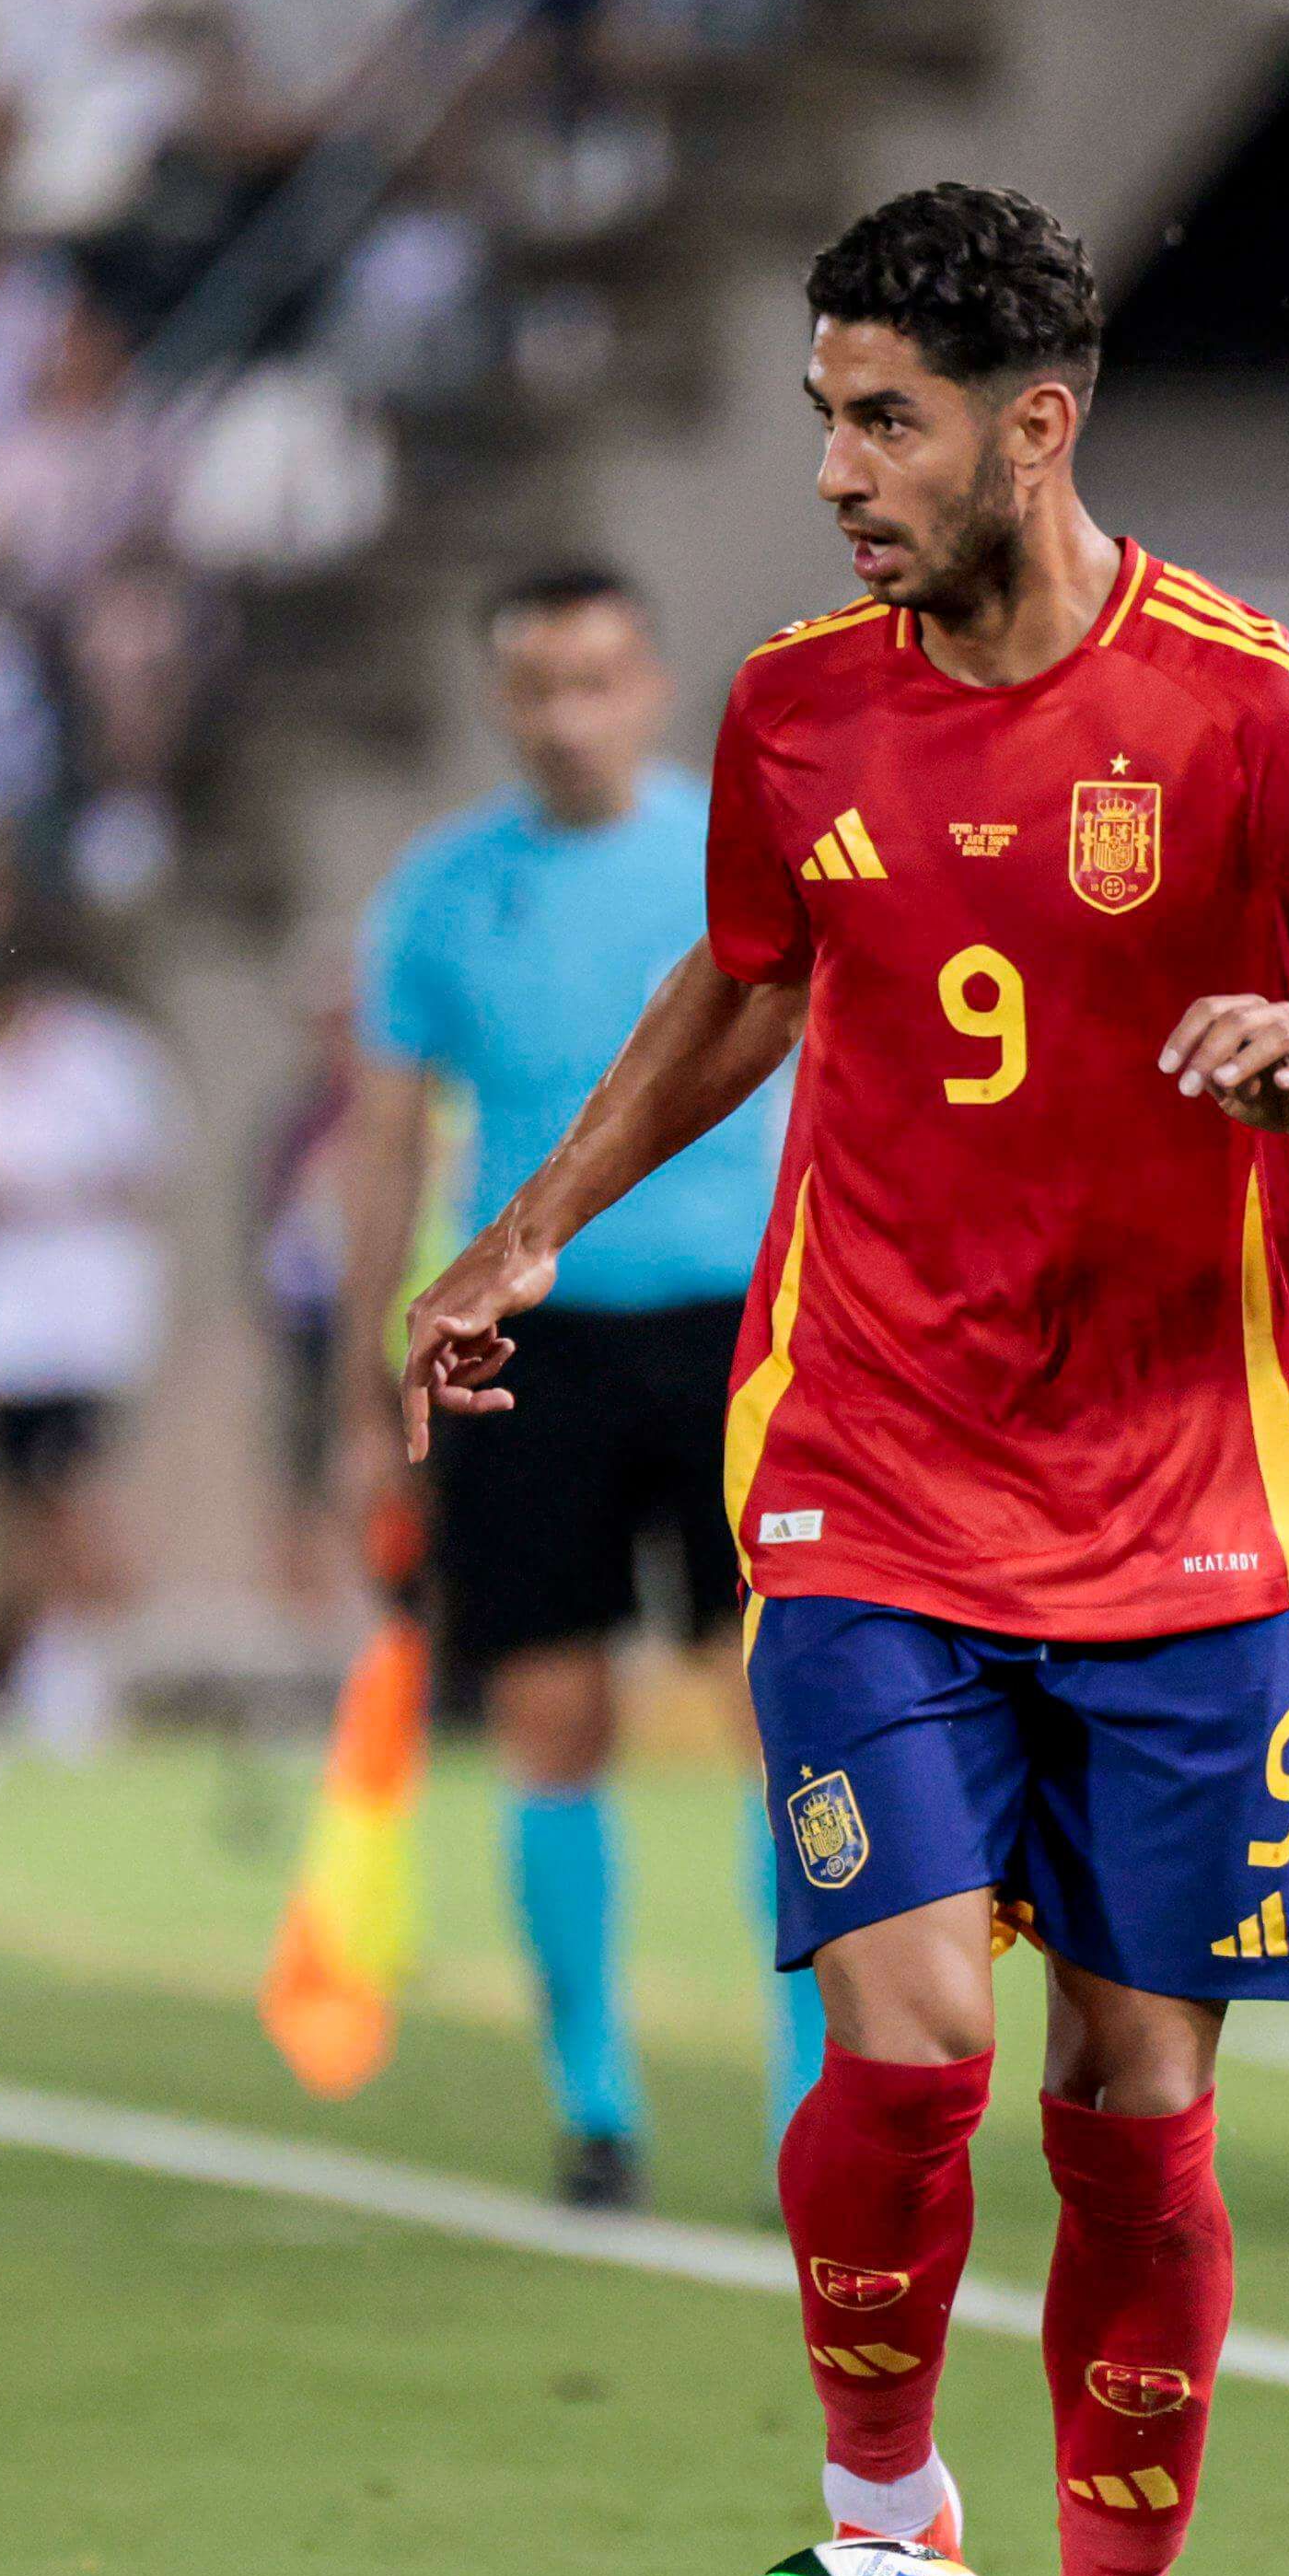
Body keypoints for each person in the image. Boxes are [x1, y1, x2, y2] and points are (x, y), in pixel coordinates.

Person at [392, 185, 1289, 2576]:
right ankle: (879, 2530)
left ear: (1032, 423)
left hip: (1179, 1520)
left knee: (1130, 2107)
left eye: (882, 419)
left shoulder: (1261, 717)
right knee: (908, 2034)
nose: (832, 469)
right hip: (865, 1472)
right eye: (822, 411)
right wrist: (535, 1216)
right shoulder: (796, 715)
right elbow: (742, 971)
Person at [339, 564, 807, 2202]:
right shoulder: (440, 893)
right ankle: (595, 2102)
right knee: (553, 1717)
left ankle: (810, 2112)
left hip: (739, 1330)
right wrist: (356, 1396)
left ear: (653, 683)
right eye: (535, 684)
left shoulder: (733, 852)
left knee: (789, 1714)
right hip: (525, 1339)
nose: (566, 714)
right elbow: (386, 1150)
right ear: (498, 698)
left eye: (596, 678)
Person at [0, 936, 180, 1758]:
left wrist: (43, 1187)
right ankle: (48, 1670)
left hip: (80, 1325)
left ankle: (85, 1672)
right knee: (17, 1507)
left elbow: (144, 1166)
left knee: (72, 1496)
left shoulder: (102, 1056)